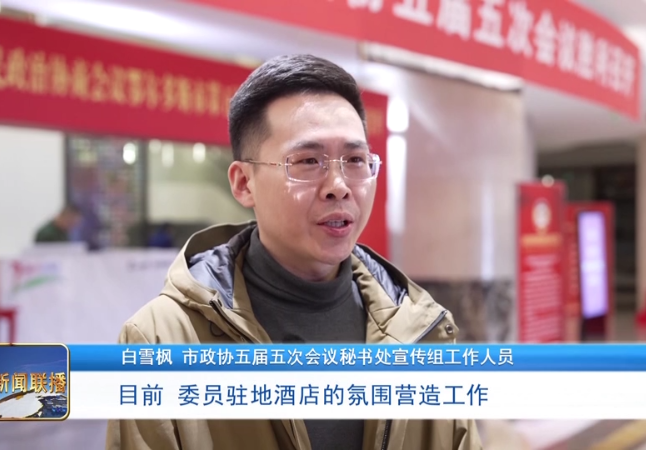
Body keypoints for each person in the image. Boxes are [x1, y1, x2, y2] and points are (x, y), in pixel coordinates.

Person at [106, 54, 483, 450]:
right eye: (308, 161)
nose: (339, 186)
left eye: (355, 160)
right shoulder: (161, 340)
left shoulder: (421, 332)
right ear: (244, 183)